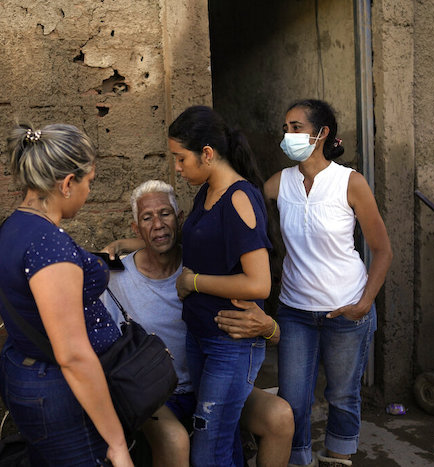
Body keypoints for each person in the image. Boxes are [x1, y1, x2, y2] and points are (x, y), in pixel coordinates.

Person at [102, 180, 293, 467]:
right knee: (174, 439)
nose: (157, 224)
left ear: (180, 220)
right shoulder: (118, 278)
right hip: (156, 394)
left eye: (165, 214)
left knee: (279, 416)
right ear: (136, 229)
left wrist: (269, 327)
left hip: (210, 383)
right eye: (147, 218)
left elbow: (272, 333)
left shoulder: (204, 271)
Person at [0, 124, 132, 467]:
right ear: (67, 183)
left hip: (27, 370)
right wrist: (117, 444)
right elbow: (73, 355)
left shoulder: (13, 227)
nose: (88, 191)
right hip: (57, 389)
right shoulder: (47, 244)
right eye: (88, 182)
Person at [263, 99, 393, 467]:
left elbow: (382, 251)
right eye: (286, 128)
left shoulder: (349, 182)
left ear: (322, 134)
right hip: (295, 311)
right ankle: (299, 460)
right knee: (293, 399)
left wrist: (365, 302)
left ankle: (339, 459)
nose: (287, 136)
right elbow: (238, 207)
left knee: (342, 395)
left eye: (295, 128)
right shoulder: (280, 182)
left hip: (347, 311)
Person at [170, 105, 272, 467]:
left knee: (207, 450)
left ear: (208, 154)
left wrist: (193, 282)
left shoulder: (239, 198)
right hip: (201, 337)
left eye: (181, 159)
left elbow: (259, 283)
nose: (177, 168)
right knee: (222, 442)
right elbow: (198, 245)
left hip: (230, 344)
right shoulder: (207, 192)